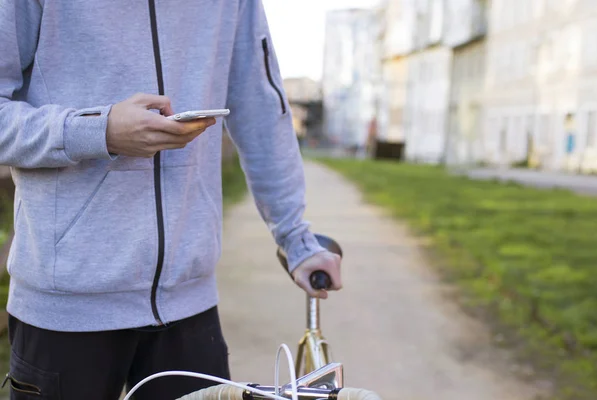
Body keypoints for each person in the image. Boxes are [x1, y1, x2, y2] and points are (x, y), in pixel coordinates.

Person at [0, 1, 342, 399]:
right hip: (65, 310)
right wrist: (99, 130)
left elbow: (261, 108)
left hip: (190, 308)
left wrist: (296, 238)